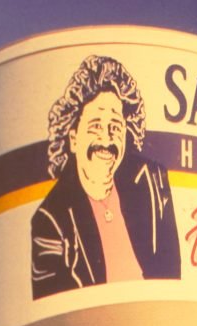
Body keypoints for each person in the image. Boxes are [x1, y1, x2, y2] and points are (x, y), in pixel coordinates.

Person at [31, 55, 181, 299]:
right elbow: (57, 313)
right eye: (95, 126)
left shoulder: (151, 181)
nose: (106, 139)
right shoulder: (51, 221)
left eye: (115, 126)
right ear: (73, 138)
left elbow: (172, 283)